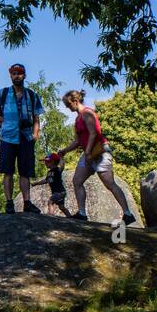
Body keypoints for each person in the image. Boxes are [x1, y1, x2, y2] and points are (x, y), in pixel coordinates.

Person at [55, 89, 137, 225]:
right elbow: (77, 141)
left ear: (75, 101)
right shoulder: (78, 118)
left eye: (68, 105)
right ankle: (82, 213)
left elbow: (94, 133)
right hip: (88, 153)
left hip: (100, 152)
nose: (67, 108)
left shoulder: (87, 113)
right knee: (77, 180)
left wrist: (87, 153)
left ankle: (128, 214)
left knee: (109, 183)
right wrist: (64, 151)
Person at [0, 63, 43, 213]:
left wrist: (35, 133)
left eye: (19, 73)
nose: (17, 76)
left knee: (25, 172)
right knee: (8, 171)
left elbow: (36, 117)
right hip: (7, 137)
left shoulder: (32, 95)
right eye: (14, 73)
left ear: (24, 75)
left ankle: (27, 202)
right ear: (10, 76)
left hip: (26, 137)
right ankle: (9, 203)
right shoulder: (4, 93)